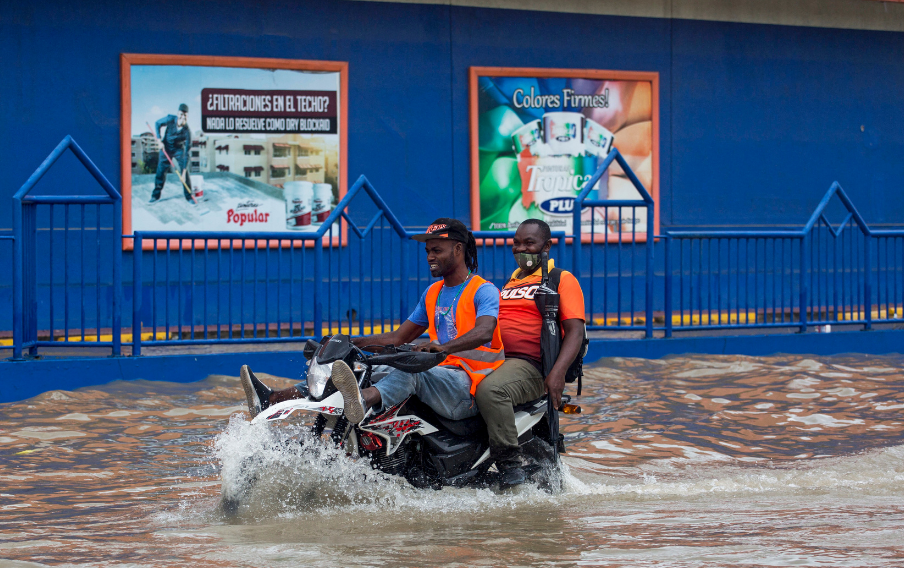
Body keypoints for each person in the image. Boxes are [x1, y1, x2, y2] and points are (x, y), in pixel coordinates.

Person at [240, 218, 503, 425]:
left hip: (468, 387)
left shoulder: (483, 290)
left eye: (437, 250)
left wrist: (442, 348)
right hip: (439, 375)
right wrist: (349, 342)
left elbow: (484, 331)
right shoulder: (432, 293)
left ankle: (362, 402)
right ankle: (273, 399)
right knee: (360, 370)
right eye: (427, 251)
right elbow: (397, 339)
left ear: (458, 249)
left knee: (410, 374)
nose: (429, 257)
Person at [475, 218, 586, 487]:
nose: (520, 249)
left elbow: (575, 331)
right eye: (516, 243)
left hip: (532, 365)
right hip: (498, 360)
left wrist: (557, 374)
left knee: (491, 391)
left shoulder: (561, 279)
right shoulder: (511, 283)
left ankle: (508, 462)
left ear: (546, 246)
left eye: (529, 243)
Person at [150, 103, 192, 203]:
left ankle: (189, 196)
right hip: (166, 147)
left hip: (179, 150)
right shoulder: (170, 119)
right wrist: (159, 141)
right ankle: (155, 196)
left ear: (187, 117)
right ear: (178, 114)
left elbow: (187, 153)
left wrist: (183, 172)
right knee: (161, 171)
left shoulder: (187, 131)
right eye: (181, 114)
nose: (182, 117)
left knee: (184, 172)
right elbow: (157, 123)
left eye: (185, 115)